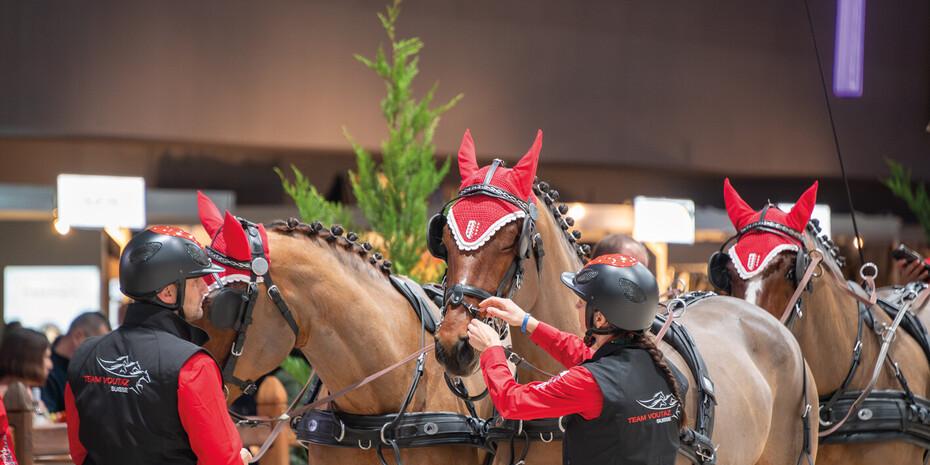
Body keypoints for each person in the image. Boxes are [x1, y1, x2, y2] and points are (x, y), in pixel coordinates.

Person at [467, 254, 686, 465]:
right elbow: (581, 353)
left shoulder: (589, 383)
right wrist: (527, 322)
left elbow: (510, 401)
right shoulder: (664, 371)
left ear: (599, 318)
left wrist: (492, 348)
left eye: (581, 303)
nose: (576, 307)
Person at [64, 226, 252, 465]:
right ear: (168, 293)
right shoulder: (193, 366)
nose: (205, 290)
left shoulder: (84, 357)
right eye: (196, 281)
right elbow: (224, 460)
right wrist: (241, 460)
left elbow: (79, 452)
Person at [0, 327, 54, 465]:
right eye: (46, 357)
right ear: (26, 358)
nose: (50, 365)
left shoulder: (24, 393)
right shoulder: (5, 395)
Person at [41, 312, 111, 413]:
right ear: (78, 336)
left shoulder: (92, 369)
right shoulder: (45, 368)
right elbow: (44, 417)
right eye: (98, 345)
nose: (101, 352)